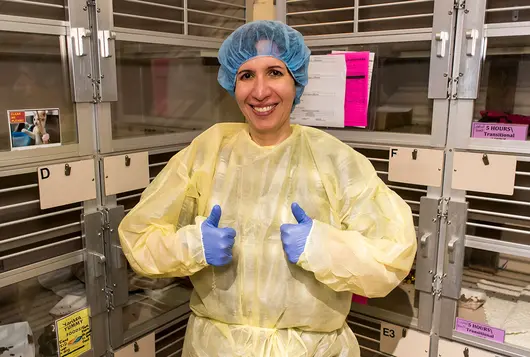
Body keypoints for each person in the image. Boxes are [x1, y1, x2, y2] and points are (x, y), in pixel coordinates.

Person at [118, 20, 417, 357]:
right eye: (246, 75)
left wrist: (322, 246)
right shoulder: (207, 151)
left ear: (296, 81)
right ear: (232, 83)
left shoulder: (333, 159)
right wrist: (191, 245)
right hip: (216, 349)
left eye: (275, 72)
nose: (260, 92)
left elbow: (393, 255)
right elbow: (138, 237)